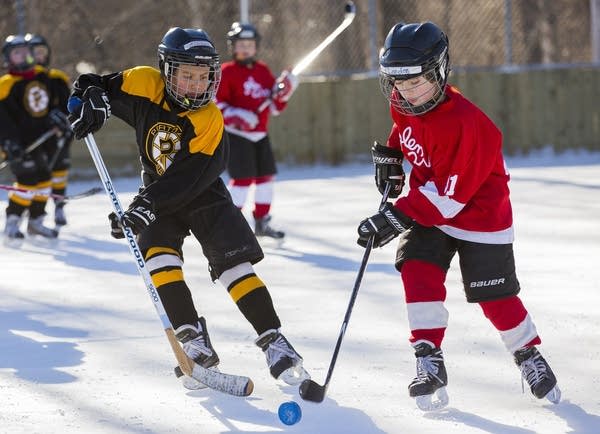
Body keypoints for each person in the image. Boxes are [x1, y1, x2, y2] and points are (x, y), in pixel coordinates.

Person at [66, 27, 309, 388]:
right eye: (187, 76)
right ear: (166, 70)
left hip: (203, 196)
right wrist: (90, 103)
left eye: (203, 76)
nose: (196, 85)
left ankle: (275, 340)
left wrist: (142, 209)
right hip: (155, 195)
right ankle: (194, 340)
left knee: (233, 267)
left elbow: (184, 178)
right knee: (160, 263)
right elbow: (90, 84)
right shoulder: (143, 82)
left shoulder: (210, 119)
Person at [356, 22, 560, 411]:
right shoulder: (403, 102)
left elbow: (450, 198)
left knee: (494, 295)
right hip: (432, 207)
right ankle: (428, 357)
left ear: (438, 73)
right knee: (416, 268)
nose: (405, 92)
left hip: (480, 216)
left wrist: (394, 218)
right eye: (397, 83)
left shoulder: (470, 125)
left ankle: (527, 354)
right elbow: (407, 132)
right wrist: (394, 158)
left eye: (415, 82)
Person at [215, 22, 298, 239]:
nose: (245, 48)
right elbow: (216, 106)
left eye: (249, 44)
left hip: (260, 135)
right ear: (232, 46)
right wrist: (239, 115)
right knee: (242, 180)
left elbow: (274, 106)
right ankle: (229, 225)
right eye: (240, 44)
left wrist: (284, 92)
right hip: (237, 136)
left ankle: (261, 222)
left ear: (256, 47)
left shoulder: (262, 70)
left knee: (265, 178)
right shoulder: (226, 72)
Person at [0, 34, 72, 239]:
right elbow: (3, 121)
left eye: (26, 51)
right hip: (16, 144)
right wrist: (9, 143)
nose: (23, 55)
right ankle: (13, 221)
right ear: (7, 58)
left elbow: (53, 105)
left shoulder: (43, 77)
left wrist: (58, 117)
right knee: (27, 181)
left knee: (44, 180)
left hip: (40, 141)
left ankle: (35, 221)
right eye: (17, 52)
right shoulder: (5, 85)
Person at [25, 33, 73, 226]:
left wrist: (62, 120)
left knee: (59, 169)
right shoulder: (21, 81)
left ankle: (59, 206)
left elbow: (67, 106)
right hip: (34, 137)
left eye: (42, 52)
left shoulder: (56, 78)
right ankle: (34, 213)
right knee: (37, 176)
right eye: (34, 52)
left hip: (56, 134)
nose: (39, 56)